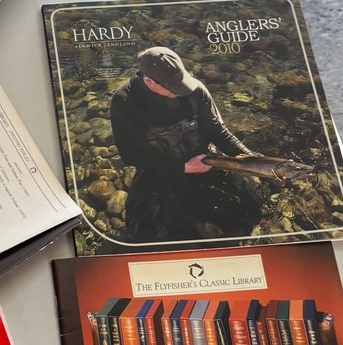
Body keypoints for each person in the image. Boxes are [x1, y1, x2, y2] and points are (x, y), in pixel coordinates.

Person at [109, 46, 262, 242]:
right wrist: (185, 167)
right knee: (140, 229)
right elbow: (132, 156)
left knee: (250, 207)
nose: (182, 91)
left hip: (205, 160)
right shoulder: (124, 101)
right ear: (149, 81)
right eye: (174, 87)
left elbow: (219, 133)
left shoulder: (195, 90)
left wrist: (253, 160)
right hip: (158, 168)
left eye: (182, 81)